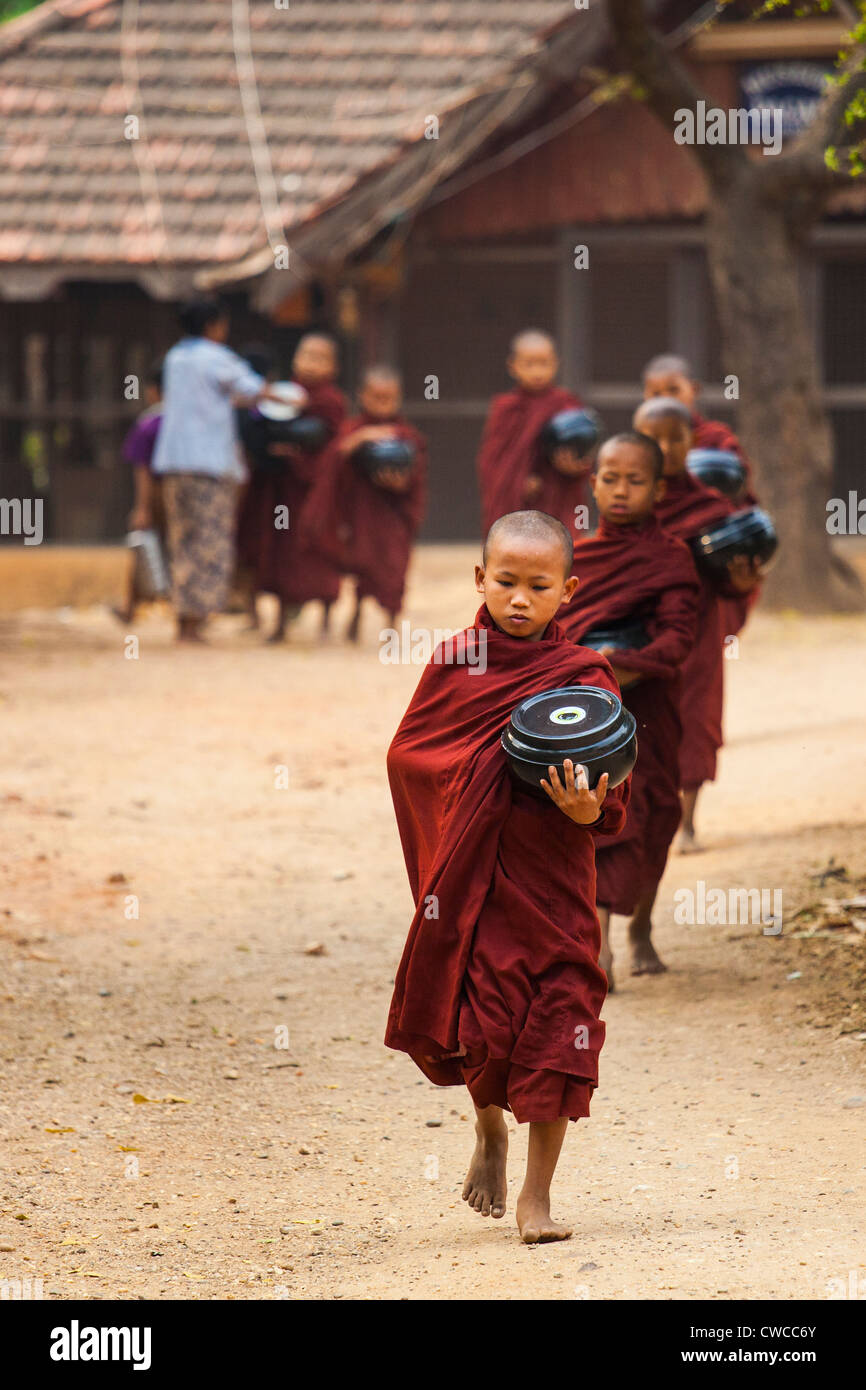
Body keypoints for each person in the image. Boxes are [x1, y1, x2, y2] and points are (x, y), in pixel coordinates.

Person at [385, 510, 630, 1244]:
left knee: (564, 1024)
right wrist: (473, 778)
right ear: (480, 579)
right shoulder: (458, 663)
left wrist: (591, 808)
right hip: (481, 888)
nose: (520, 598)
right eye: (506, 582)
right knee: (486, 1029)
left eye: (539, 585)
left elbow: (613, 777)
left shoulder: (585, 674)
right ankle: (489, 1127)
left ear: (568, 590)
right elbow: (410, 757)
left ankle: (537, 1198)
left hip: (556, 885)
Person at [558, 432, 700, 987]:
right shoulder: (577, 556)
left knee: (658, 812)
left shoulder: (670, 557)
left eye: (635, 480)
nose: (620, 491)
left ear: (658, 488)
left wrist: (623, 662)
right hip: (591, 713)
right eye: (609, 478)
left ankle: (640, 925)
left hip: (650, 708)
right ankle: (600, 945)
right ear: (592, 483)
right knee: (600, 812)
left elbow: (679, 637)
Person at [633, 397, 762, 852]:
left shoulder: (709, 505)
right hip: (643, 631)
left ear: (693, 443)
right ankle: (645, 819)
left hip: (699, 630)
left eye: (676, 438)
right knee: (644, 720)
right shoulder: (628, 498)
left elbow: (732, 572)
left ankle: (687, 824)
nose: (665, 448)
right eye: (654, 438)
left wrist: (741, 582)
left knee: (696, 721)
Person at [152, 297, 280, 644]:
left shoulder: (175, 358)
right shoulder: (216, 358)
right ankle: (194, 621)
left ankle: (185, 619)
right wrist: (291, 398)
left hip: (174, 463)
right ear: (213, 326)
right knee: (209, 542)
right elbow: (254, 390)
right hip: (207, 464)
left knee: (182, 540)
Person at [301, 366, 427, 641]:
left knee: (393, 566)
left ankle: (391, 623)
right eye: (376, 397)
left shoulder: (406, 434)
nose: (382, 404)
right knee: (352, 562)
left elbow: (415, 476)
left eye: (389, 398)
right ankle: (349, 614)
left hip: (390, 514)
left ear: (398, 398)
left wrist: (399, 483)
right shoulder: (352, 429)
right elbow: (332, 462)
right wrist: (360, 439)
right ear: (363, 397)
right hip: (356, 514)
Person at [239, 332, 347, 643]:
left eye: (319, 357)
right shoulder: (282, 395)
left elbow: (332, 443)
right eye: (306, 355)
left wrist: (301, 454)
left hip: (316, 490)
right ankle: (279, 623)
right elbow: (263, 430)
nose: (310, 363)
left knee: (321, 548)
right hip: (282, 488)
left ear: (334, 367)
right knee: (279, 552)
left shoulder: (331, 400)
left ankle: (326, 621)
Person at [476, 330, 588, 537]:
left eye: (544, 363)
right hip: (515, 503)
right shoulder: (505, 408)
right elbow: (491, 462)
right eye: (529, 364)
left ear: (556, 363)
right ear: (513, 366)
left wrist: (575, 466)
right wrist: (517, 482)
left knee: (559, 549)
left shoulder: (567, 404)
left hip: (557, 495)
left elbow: (585, 449)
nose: (537, 372)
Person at [116, 357, 165, 624]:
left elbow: (142, 468)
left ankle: (130, 606)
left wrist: (142, 506)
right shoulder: (189, 420)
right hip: (184, 496)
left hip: (158, 493)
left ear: (154, 390)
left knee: (143, 547)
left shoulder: (149, 422)